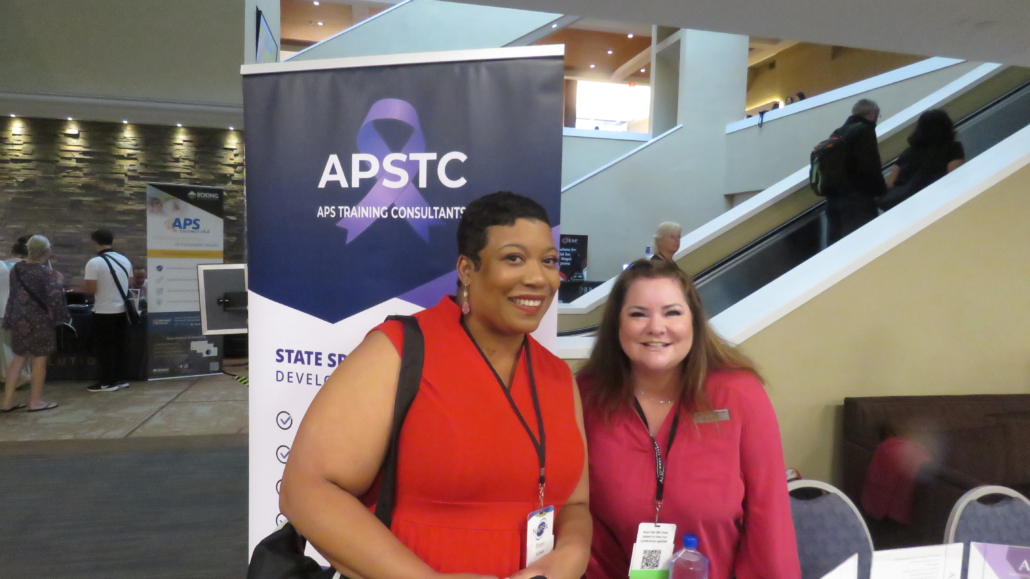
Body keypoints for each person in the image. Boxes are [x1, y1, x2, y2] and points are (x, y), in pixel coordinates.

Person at [280, 192, 591, 579]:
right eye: (514, 258)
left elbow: (575, 504)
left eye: (548, 261)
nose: (537, 277)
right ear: (467, 269)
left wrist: (567, 560)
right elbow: (306, 490)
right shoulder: (400, 350)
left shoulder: (558, 376)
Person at [577, 258, 799, 579]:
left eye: (672, 312)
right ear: (617, 325)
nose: (656, 327)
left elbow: (770, 520)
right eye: (638, 314)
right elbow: (577, 517)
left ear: (694, 320)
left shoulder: (740, 395)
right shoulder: (585, 398)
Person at [2, 235, 70, 413]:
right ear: (46, 251)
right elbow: (55, 298)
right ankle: (35, 402)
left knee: (18, 358)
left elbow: (14, 295)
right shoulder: (46, 272)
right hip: (40, 321)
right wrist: (59, 282)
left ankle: (6, 402)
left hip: (19, 320)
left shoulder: (16, 269)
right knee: (39, 361)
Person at [825, 99, 886, 244]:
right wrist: (881, 191)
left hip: (834, 198)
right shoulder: (865, 131)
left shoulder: (837, 133)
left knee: (838, 246)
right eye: (878, 116)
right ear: (871, 114)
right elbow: (869, 166)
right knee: (862, 243)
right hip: (858, 199)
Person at [881, 109, 965, 210]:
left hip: (906, 206)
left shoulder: (908, 152)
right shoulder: (953, 148)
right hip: (936, 201)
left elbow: (890, 183)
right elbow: (955, 175)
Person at [82, 229, 132, 392]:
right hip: (123, 310)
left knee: (105, 348)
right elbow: (129, 283)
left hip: (104, 311)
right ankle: (120, 378)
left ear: (95, 242)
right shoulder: (125, 260)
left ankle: (107, 382)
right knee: (119, 346)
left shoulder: (94, 262)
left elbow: (90, 289)